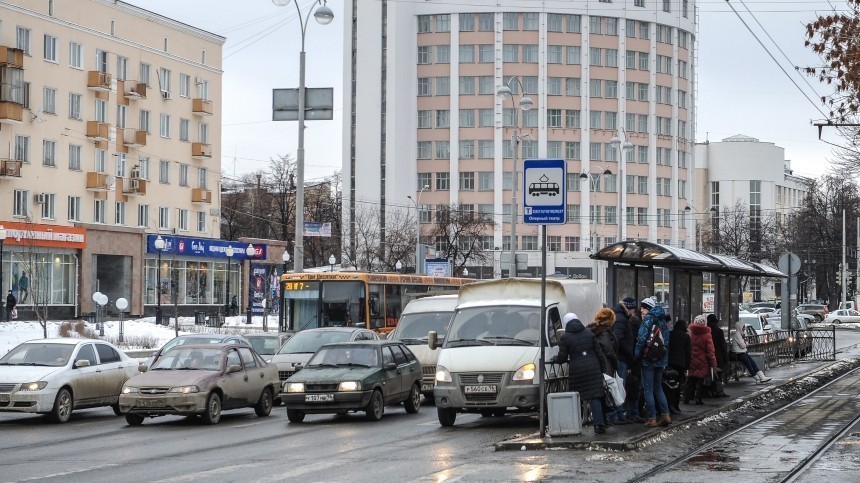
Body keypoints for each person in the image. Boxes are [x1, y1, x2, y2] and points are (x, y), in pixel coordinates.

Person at [550, 312, 609, 434]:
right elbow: (599, 353)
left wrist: (555, 359)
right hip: (593, 368)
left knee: (576, 397)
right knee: (595, 396)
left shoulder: (565, 337)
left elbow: (562, 357)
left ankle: (575, 425)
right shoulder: (589, 333)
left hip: (577, 370)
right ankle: (599, 425)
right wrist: (603, 370)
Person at [634, 296, 672, 427]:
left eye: (643, 308)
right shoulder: (663, 320)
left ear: (649, 309)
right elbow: (666, 340)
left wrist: (637, 355)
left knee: (648, 389)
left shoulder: (649, 319)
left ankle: (652, 418)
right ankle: (666, 415)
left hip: (648, 360)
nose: (642, 311)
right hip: (661, 359)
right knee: (658, 387)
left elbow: (641, 338)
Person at [608, 297, 636, 424]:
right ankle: (616, 415)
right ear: (629, 308)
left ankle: (618, 414)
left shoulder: (620, 317)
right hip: (621, 358)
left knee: (619, 387)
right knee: (619, 387)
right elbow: (618, 339)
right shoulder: (621, 319)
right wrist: (628, 352)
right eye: (633, 309)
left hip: (621, 357)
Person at [685, 314, 717, 405]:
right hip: (703, 361)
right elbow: (710, 351)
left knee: (690, 380)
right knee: (700, 381)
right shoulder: (707, 335)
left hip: (691, 359)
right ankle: (698, 399)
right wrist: (713, 363)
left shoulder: (690, 333)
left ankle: (687, 398)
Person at [624, 298, 645, 423]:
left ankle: (631, 412)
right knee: (636, 388)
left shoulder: (630, 323)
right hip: (637, 361)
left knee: (632, 387)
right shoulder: (637, 323)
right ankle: (634, 412)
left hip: (632, 361)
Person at [666, 319, 691, 414]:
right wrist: (687, 367)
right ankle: (676, 405)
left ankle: (669, 404)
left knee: (669, 385)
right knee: (678, 385)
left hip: (670, 363)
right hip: (681, 364)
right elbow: (688, 353)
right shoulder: (686, 337)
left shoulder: (670, 334)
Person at [707, 314, 730, 397]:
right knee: (718, 374)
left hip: (707, 355)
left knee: (708, 374)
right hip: (717, 355)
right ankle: (719, 391)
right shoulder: (718, 331)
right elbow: (723, 345)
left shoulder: (706, 330)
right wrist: (726, 358)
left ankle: (710, 391)